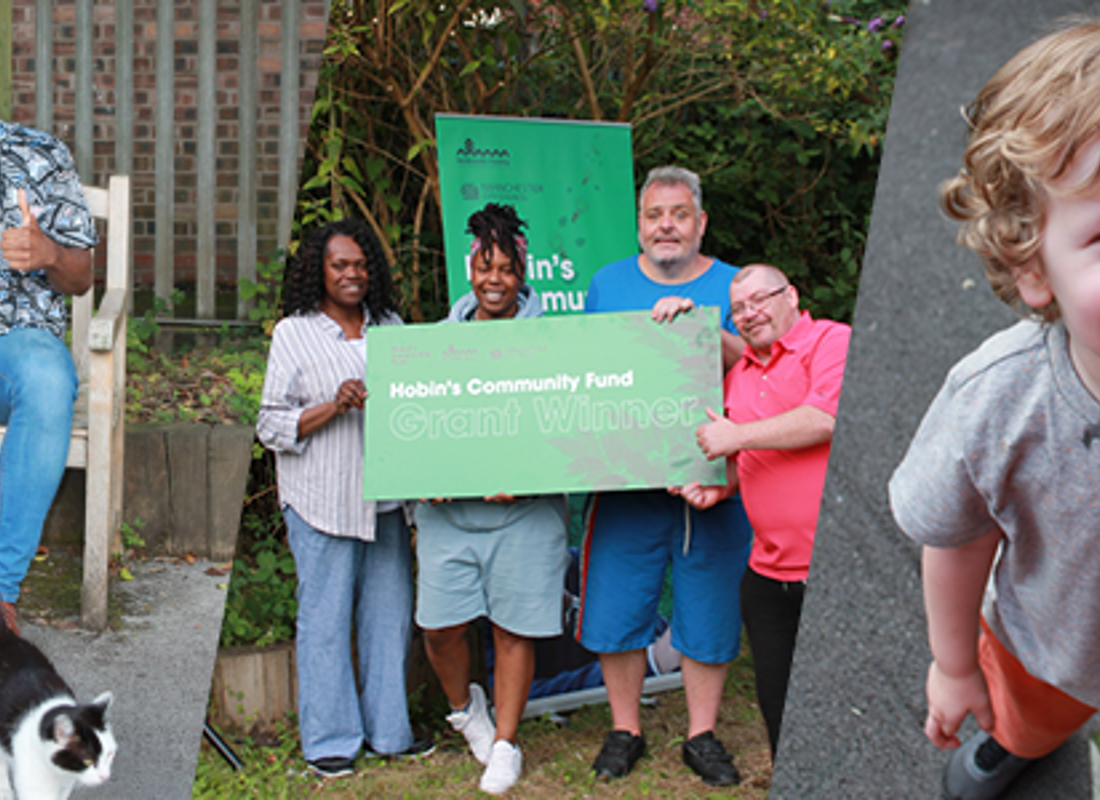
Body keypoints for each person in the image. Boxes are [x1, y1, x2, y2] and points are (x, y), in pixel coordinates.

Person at [888, 21, 1100, 800]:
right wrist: (951, 665)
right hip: (1049, 646)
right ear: (1032, 265)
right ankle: (1018, 739)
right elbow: (955, 536)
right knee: (1034, 715)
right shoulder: (998, 402)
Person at [577, 165, 753, 787]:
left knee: (708, 607)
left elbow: (768, 369)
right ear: (640, 224)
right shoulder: (607, 283)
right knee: (615, 606)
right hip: (627, 486)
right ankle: (625, 729)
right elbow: (588, 375)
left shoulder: (736, 287)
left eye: (679, 214)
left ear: (700, 222)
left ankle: (701, 734)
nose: (667, 226)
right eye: (655, 215)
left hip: (715, 483)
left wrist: (710, 332)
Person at [257, 218, 430, 780]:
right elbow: (269, 425)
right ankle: (330, 742)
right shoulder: (294, 332)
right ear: (319, 270)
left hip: (385, 500)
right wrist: (333, 405)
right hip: (322, 498)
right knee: (325, 621)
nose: (352, 274)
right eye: (340, 265)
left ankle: (389, 734)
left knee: (389, 617)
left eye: (360, 264)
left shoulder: (392, 327)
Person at [416, 203, 568, 795]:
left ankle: (505, 743)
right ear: (470, 270)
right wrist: (419, 474)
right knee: (438, 628)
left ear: (523, 270)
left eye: (506, 267)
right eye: (485, 268)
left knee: (513, 631)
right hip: (450, 515)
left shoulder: (554, 340)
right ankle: (465, 710)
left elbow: (573, 423)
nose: (495, 279)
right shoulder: (435, 343)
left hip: (524, 514)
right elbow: (418, 427)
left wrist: (530, 474)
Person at [671, 264, 850, 760]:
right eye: (738, 310)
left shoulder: (832, 343)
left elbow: (826, 417)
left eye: (759, 300)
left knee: (850, 711)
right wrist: (719, 490)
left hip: (836, 572)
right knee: (782, 716)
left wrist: (739, 435)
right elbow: (747, 460)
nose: (749, 315)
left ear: (790, 295)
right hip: (768, 579)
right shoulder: (741, 375)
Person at [0, 122, 97, 637]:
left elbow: (81, 278)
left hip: (17, 340)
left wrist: (49, 252)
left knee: (46, 380)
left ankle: (0, 592)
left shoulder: (38, 152)